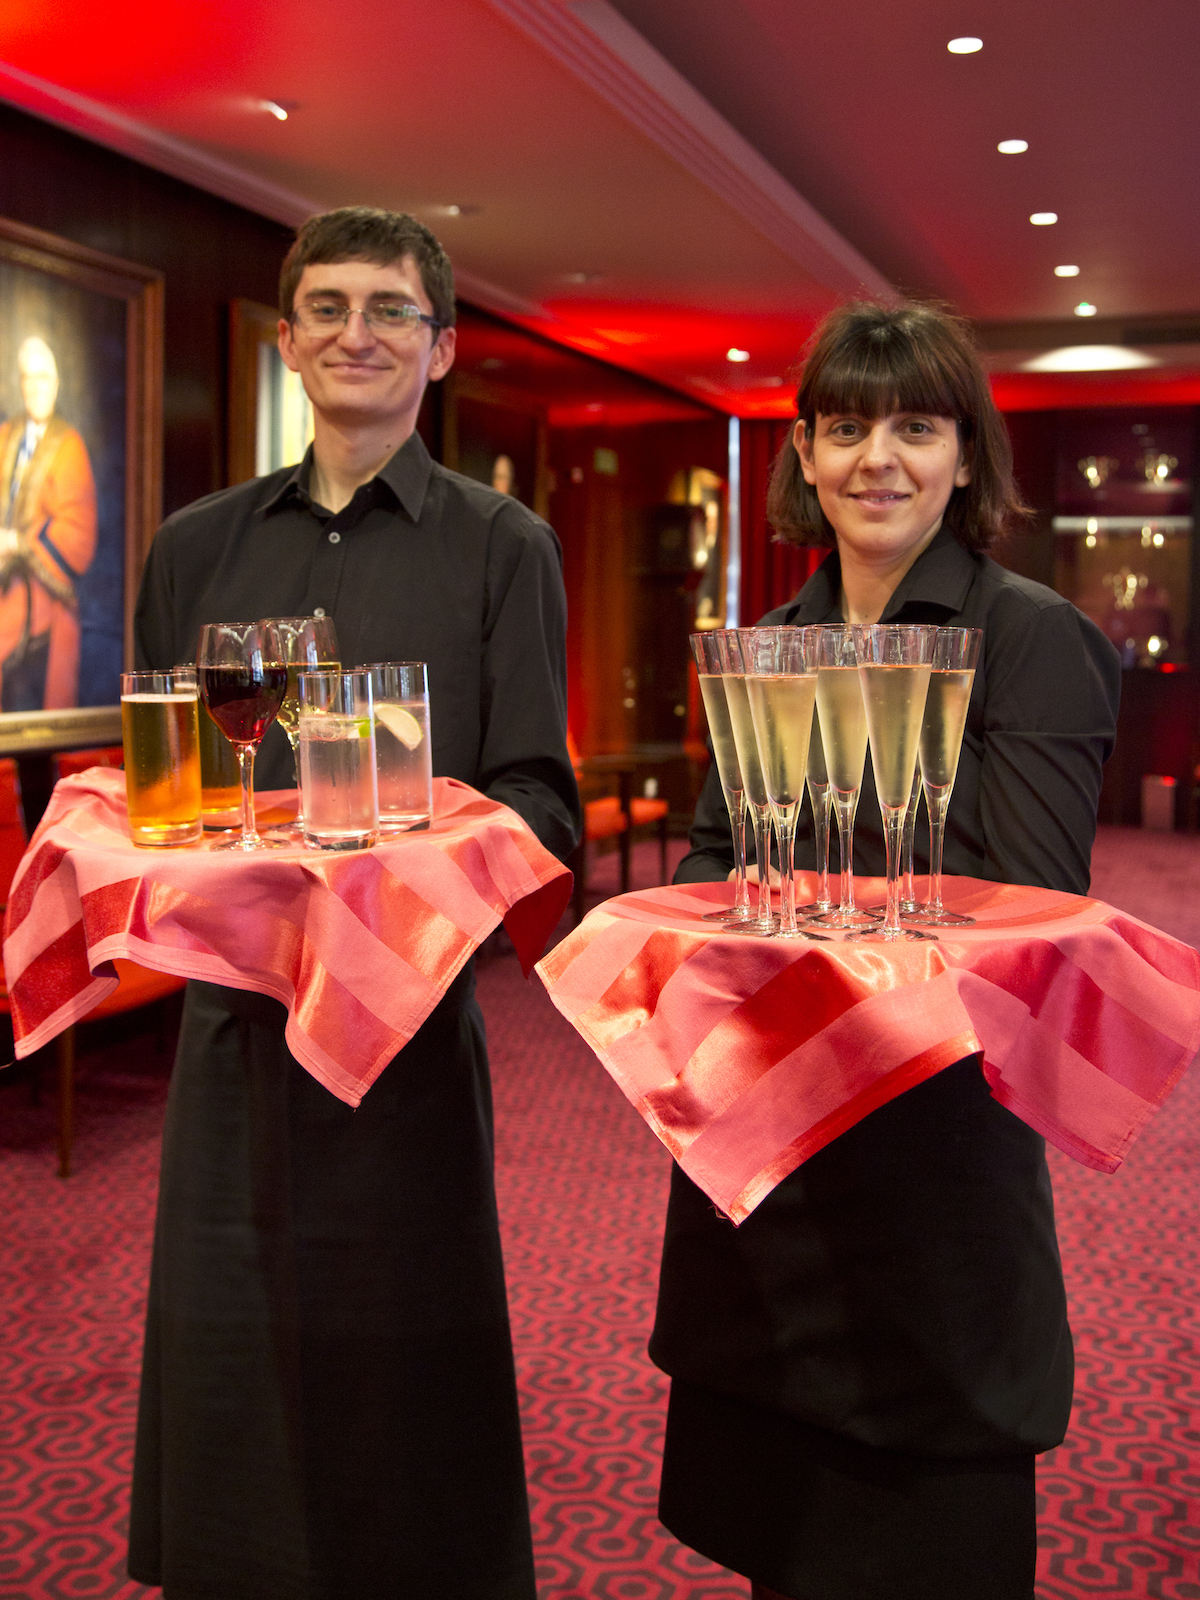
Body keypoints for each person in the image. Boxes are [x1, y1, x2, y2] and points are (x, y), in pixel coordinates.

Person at [129, 207, 581, 1600]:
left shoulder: (504, 547)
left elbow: (540, 807)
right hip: (232, 1029)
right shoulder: (196, 547)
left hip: (405, 1031)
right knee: (234, 1344)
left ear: (439, 349)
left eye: (390, 310)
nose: (356, 334)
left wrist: (405, 862)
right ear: (289, 343)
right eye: (327, 308)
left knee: (406, 1365)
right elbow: (165, 789)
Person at [651, 301, 1121, 1600]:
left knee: (925, 1543)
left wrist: (795, 921)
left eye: (916, 427)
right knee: (780, 1542)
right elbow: (704, 865)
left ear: (967, 457)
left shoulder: (1031, 641)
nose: (879, 458)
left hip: (930, 1156)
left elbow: (1025, 905)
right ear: (803, 452)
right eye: (847, 426)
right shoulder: (770, 645)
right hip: (763, 1143)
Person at [0, 335, 97, 709]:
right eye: (29, 378)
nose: (36, 387)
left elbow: (77, 531)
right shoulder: (7, 437)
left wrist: (19, 544)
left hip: (40, 606)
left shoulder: (68, 446)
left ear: (56, 384)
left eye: (44, 378)